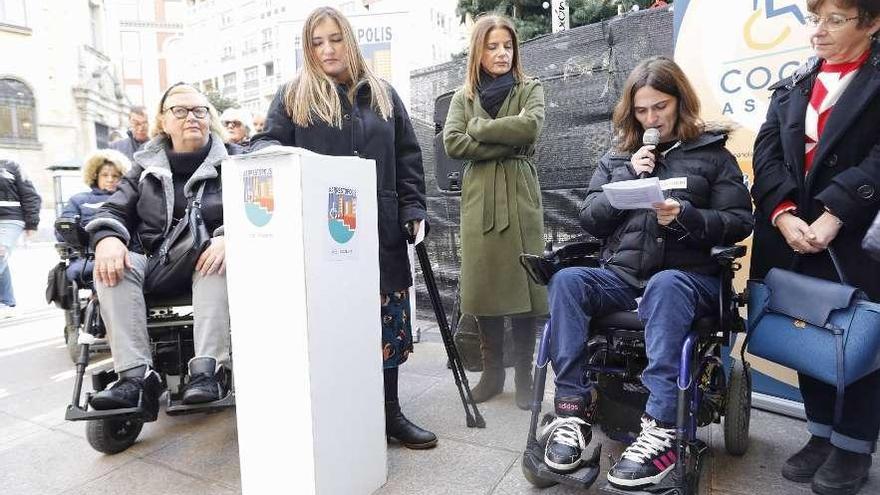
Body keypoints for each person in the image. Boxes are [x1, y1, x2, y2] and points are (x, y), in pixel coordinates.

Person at [538, 57, 753, 487]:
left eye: (660, 107)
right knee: (567, 281)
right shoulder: (619, 156)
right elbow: (589, 219)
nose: (651, 118)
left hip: (686, 280)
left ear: (680, 102)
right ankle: (572, 411)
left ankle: (660, 428)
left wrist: (687, 216)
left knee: (666, 284)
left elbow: (740, 221)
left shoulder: (712, 155)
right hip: (622, 277)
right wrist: (625, 178)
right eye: (642, 110)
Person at [250, 6, 436, 449]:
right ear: (307, 48)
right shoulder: (292, 95)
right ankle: (338, 413)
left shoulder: (384, 95)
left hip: (380, 229)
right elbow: (265, 143)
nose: (328, 49)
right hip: (323, 234)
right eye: (317, 42)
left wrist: (413, 208)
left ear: (350, 41)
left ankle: (389, 413)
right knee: (333, 326)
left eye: (335, 39)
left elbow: (408, 158)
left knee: (385, 323)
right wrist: (269, 151)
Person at [751, 2, 880, 493]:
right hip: (794, 236)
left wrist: (834, 215)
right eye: (815, 19)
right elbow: (766, 152)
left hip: (856, 238)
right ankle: (821, 434)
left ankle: (853, 446)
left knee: (860, 340)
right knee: (809, 331)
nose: (818, 31)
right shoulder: (796, 82)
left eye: (834, 20)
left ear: (871, 23)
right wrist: (782, 213)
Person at [86, 83, 236, 412]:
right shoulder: (143, 168)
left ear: (210, 118)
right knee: (112, 268)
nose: (191, 117)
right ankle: (136, 379)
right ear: (163, 121)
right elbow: (113, 210)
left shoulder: (236, 162)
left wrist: (230, 235)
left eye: (200, 111)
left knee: (216, 263)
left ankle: (208, 371)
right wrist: (108, 239)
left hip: (208, 260)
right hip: (156, 260)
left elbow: (259, 208)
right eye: (179, 111)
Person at [442, 14, 547, 410]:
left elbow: (530, 129)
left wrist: (480, 129)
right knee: (483, 285)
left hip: (519, 195)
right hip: (479, 196)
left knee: (524, 284)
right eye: (493, 46)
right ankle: (492, 374)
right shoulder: (462, 95)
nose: (502, 53)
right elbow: (452, 142)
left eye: (508, 46)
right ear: (478, 51)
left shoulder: (531, 87)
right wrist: (506, 135)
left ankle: (524, 374)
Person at [58, 148, 129, 282]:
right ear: (95, 176)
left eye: (115, 176)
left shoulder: (127, 199)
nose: (110, 180)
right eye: (105, 175)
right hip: (85, 256)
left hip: (121, 254)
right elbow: (63, 229)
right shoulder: (78, 200)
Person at [0, 158, 41, 313]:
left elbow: (30, 195)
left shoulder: (11, 166)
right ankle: (6, 302)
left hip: (10, 219)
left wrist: (32, 223)